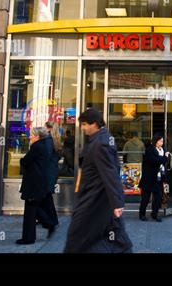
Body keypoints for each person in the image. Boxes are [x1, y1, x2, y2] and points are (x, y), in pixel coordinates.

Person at [64, 108, 132, 253]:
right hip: (97, 198)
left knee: (77, 236)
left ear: (94, 124)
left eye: (84, 124)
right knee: (111, 235)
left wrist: (117, 202)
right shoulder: (100, 139)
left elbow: (110, 173)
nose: (82, 128)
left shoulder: (100, 144)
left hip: (95, 199)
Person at [17, 127, 56, 245]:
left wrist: (22, 160)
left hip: (33, 182)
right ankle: (48, 224)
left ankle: (30, 237)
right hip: (38, 181)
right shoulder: (44, 146)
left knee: (30, 209)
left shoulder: (37, 147)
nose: (30, 137)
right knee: (33, 207)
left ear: (38, 136)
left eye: (32, 135)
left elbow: (25, 161)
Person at [138, 133, 170, 223]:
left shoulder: (163, 150)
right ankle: (142, 214)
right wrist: (165, 158)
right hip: (149, 178)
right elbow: (154, 161)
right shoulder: (149, 150)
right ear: (155, 141)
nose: (162, 143)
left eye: (163, 141)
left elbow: (161, 162)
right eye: (160, 141)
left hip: (158, 178)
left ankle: (154, 214)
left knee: (158, 197)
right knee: (146, 198)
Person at [37, 121, 61, 237]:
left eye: (44, 128)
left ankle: (49, 222)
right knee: (47, 197)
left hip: (47, 173)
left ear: (48, 129)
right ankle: (52, 220)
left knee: (43, 198)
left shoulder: (48, 141)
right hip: (52, 173)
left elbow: (44, 157)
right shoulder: (56, 140)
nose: (43, 130)